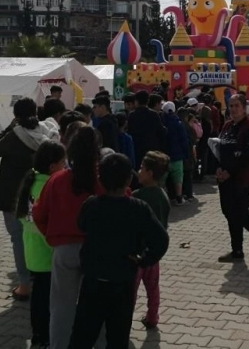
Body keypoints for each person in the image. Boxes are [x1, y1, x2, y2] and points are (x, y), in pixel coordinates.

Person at [68, 154, 168, 349]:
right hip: (122, 282)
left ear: (99, 179)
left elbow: (81, 225)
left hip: (93, 280)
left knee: (82, 336)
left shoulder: (92, 205)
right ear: (129, 179)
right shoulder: (139, 208)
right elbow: (161, 240)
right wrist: (143, 260)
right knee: (117, 338)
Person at [32, 126, 105, 349]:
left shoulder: (56, 180)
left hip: (63, 249)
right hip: (97, 250)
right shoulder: (103, 180)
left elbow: (38, 214)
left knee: (61, 307)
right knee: (97, 305)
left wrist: (52, 237)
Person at [0, 97, 60, 301]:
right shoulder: (45, 131)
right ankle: (44, 275)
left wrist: (9, 128)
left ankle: (25, 284)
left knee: (18, 239)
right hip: (40, 192)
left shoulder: (14, 136)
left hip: (13, 196)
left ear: (16, 116)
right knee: (40, 235)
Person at [14, 141, 67, 347]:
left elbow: (21, 216)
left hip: (33, 248)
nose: (66, 166)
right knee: (47, 298)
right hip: (48, 250)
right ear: (53, 166)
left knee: (39, 296)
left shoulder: (31, 180)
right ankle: (44, 336)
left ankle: (38, 334)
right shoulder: (50, 185)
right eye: (63, 162)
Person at [215, 94, 249, 262]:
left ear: (244, 107)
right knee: (228, 212)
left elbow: (248, 155)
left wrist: (230, 171)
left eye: (236, 106)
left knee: (240, 212)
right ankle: (236, 250)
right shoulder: (227, 126)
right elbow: (218, 149)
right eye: (231, 106)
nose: (233, 109)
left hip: (243, 177)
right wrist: (218, 169)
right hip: (225, 178)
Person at [132, 151, 171, 330]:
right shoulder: (163, 196)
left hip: (137, 252)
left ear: (149, 173)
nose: (138, 171)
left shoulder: (137, 196)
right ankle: (153, 316)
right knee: (153, 288)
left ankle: (125, 317)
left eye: (141, 168)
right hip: (155, 253)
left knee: (131, 290)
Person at [162, 102, 190, 206]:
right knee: (178, 177)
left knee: (162, 178)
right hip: (177, 155)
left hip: (164, 155)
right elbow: (184, 140)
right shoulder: (178, 123)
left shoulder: (161, 121)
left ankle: (163, 197)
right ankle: (178, 197)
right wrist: (186, 154)